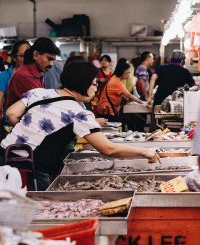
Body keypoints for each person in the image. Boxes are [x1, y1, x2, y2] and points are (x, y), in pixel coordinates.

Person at [0, 61, 161, 191]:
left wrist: (29, 131)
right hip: (30, 170)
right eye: (94, 84)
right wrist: (143, 151)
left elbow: (11, 114)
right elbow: (108, 149)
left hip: (4, 156)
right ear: (83, 84)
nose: (96, 88)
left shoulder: (39, 92)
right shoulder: (78, 113)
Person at [7, 37, 60, 108]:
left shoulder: (37, 74)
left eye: (53, 60)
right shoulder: (25, 76)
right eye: (49, 59)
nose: (51, 64)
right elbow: (41, 104)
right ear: (35, 55)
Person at [0, 40, 30, 126]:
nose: (27, 60)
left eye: (29, 56)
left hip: (30, 124)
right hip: (10, 124)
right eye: (23, 56)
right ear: (14, 57)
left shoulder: (37, 75)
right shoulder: (4, 76)